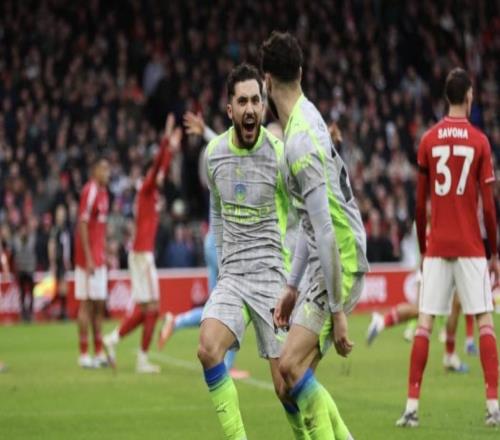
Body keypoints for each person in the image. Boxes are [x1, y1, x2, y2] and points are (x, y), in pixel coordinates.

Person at [262, 31, 369, 440]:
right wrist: (292, 286)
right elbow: (312, 222)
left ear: (266, 81)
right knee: (286, 383)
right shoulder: (307, 118)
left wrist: (338, 311)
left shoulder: (299, 141)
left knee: (290, 367)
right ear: (301, 73)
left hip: (339, 258)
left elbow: (324, 229)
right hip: (329, 259)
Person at [197, 63, 308, 440]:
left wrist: (294, 279)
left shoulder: (279, 155)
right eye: (242, 101)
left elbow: (301, 219)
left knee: (286, 386)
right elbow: (216, 208)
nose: (249, 108)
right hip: (233, 278)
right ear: (230, 109)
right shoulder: (214, 154)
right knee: (208, 349)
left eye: (255, 101)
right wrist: (222, 256)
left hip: (272, 279)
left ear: (263, 106)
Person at [396, 67, 499, 427]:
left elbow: (419, 203)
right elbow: (489, 208)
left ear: (445, 97)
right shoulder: (480, 142)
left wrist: (424, 248)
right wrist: (494, 252)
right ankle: (493, 407)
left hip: (437, 245)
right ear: (469, 97)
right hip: (470, 246)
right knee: (484, 321)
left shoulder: (428, 140)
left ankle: (411, 408)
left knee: (425, 323)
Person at [158, 110, 250, 380]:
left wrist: (207, 130)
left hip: (213, 244)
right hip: (223, 249)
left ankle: (176, 321)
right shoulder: (233, 181)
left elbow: (225, 147)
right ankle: (226, 367)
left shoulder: (217, 176)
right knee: (235, 309)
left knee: (215, 308)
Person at [103, 114, 181, 374]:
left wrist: (171, 150)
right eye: (158, 172)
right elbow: (158, 166)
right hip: (141, 254)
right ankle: (141, 358)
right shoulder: (147, 188)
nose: (162, 175)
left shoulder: (153, 191)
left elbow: (163, 167)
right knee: (153, 308)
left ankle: (114, 340)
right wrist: (166, 140)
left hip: (140, 254)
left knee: (148, 309)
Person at [74, 156, 111, 369]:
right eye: (103, 169)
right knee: (86, 304)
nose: (107, 173)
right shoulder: (90, 191)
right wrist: (88, 258)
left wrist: (105, 252)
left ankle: (97, 353)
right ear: (95, 170)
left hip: (99, 259)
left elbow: (100, 229)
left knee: (99, 306)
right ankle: (83, 354)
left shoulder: (105, 193)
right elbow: (83, 224)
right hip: (87, 260)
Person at [47, 204, 72, 320]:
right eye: (60, 214)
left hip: (63, 261)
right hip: (58, 261)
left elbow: (66, 246)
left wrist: (67, 259)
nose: (62, 216)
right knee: (60, 287)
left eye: (63, 214)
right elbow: (51, 245)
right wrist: (52, 262)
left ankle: (62, 311)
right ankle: (60, 311)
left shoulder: (65, 230)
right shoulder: (55, 230)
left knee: (63, 286)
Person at [13, 221, 37, 322]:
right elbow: (18, 249)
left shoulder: (31, 238)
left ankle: (30, 313)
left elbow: (30, 248)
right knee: (22, 293)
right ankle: (23, 313)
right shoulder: (16, 239)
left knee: (31, 292)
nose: (23, 231)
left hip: (30, 269)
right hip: (21, 269)